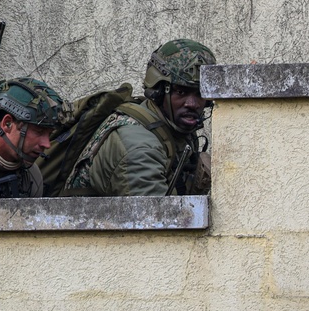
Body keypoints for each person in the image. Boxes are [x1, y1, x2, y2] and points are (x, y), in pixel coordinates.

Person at [62, 38, 216, 196]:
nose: (192, 104)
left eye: (200, 93)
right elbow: (156, 217)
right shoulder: (139, 147)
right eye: (181, 92)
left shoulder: (170, 127)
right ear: (159, 91)